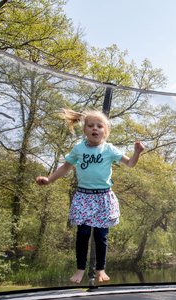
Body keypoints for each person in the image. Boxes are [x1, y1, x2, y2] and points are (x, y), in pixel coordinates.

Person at [36, 109, 145, 284]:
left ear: (105, 131)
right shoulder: (79, 148)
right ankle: (80, 269)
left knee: (101, 235)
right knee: (83, 233)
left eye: (99, 126)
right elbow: (65, 167)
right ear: (85, 130)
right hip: (83, 196)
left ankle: (100, 269)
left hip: (103, 197)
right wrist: (49, 179)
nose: (95, 128)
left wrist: (137, 153)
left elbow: (130, 164)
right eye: (91, 125)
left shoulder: (109, 149)